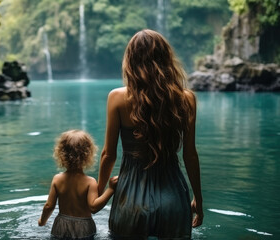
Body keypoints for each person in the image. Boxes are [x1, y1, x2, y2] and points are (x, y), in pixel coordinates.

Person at [97, 29, 203, 239]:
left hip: (130, 200)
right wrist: (198, 201)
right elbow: (190, 155)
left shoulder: (117, 98)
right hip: (173, 199)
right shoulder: (186, 99)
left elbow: (109, 154)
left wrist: (98, 193)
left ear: (130, 60)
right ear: (166, 59)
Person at [38, 129, 118, 239]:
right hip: (84, 227)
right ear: (88, 155)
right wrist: (111, 189)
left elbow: (49, 206)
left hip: (61, 225)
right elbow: (93, 208)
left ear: (61, 154)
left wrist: (42, 221)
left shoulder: (57, 179)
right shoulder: (90, 182)